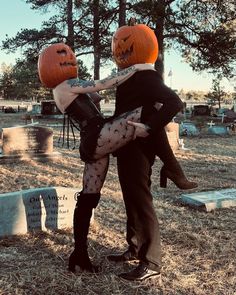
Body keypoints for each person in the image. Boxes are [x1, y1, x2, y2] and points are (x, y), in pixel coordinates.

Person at [38, 41, 197, 276]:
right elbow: (104, 84)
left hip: (94, 143)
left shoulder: (66, 88)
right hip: (97, 135)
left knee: (88, 198)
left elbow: (96, 96)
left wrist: (92, 91)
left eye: (70, 53)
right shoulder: (65, 84)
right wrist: (135, 68)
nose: (69, 57)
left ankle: (79, 256)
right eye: (62, 54)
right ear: (48, 64)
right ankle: (173, 167)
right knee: (148, 113)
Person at [105, 22, 198, 281]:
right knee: (131, 198)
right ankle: (134, 247)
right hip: (126, 146)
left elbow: (174, 102)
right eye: (117, 42)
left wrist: (149, 127)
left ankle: (152, 262)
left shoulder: (146, 75)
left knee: (142, 201)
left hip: (140, 147)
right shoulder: (129, 74)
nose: (119, 47)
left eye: (125, 42)